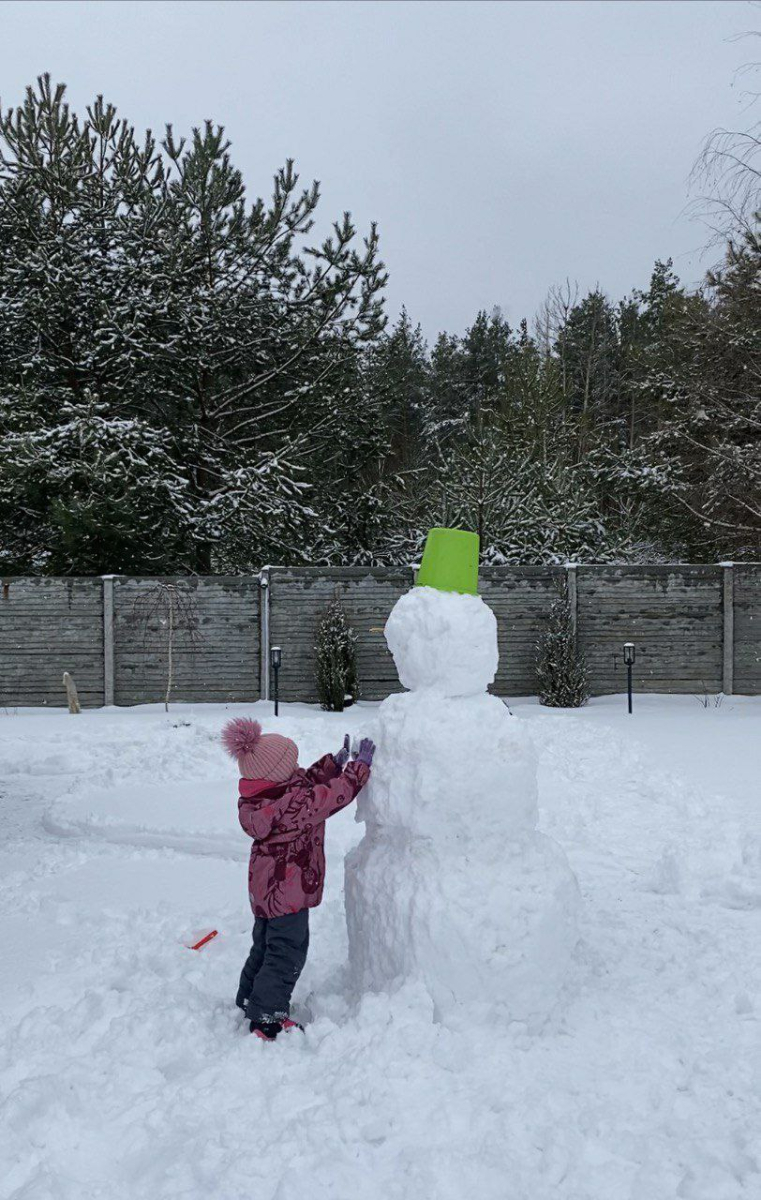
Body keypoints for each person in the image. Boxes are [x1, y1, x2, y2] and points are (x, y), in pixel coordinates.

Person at [221, 717, 374, 1041]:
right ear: (275, 775)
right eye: (291, 766)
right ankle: (266, 1017)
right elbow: (327, 798)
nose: (297, 770)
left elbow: (302, 783)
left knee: (264, 946)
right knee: (287, 951)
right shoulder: (290, 805)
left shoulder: (263, 795)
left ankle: (249, 998)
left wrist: (332, 764)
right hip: (286, 892)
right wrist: (356, 771)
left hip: (267, 889)